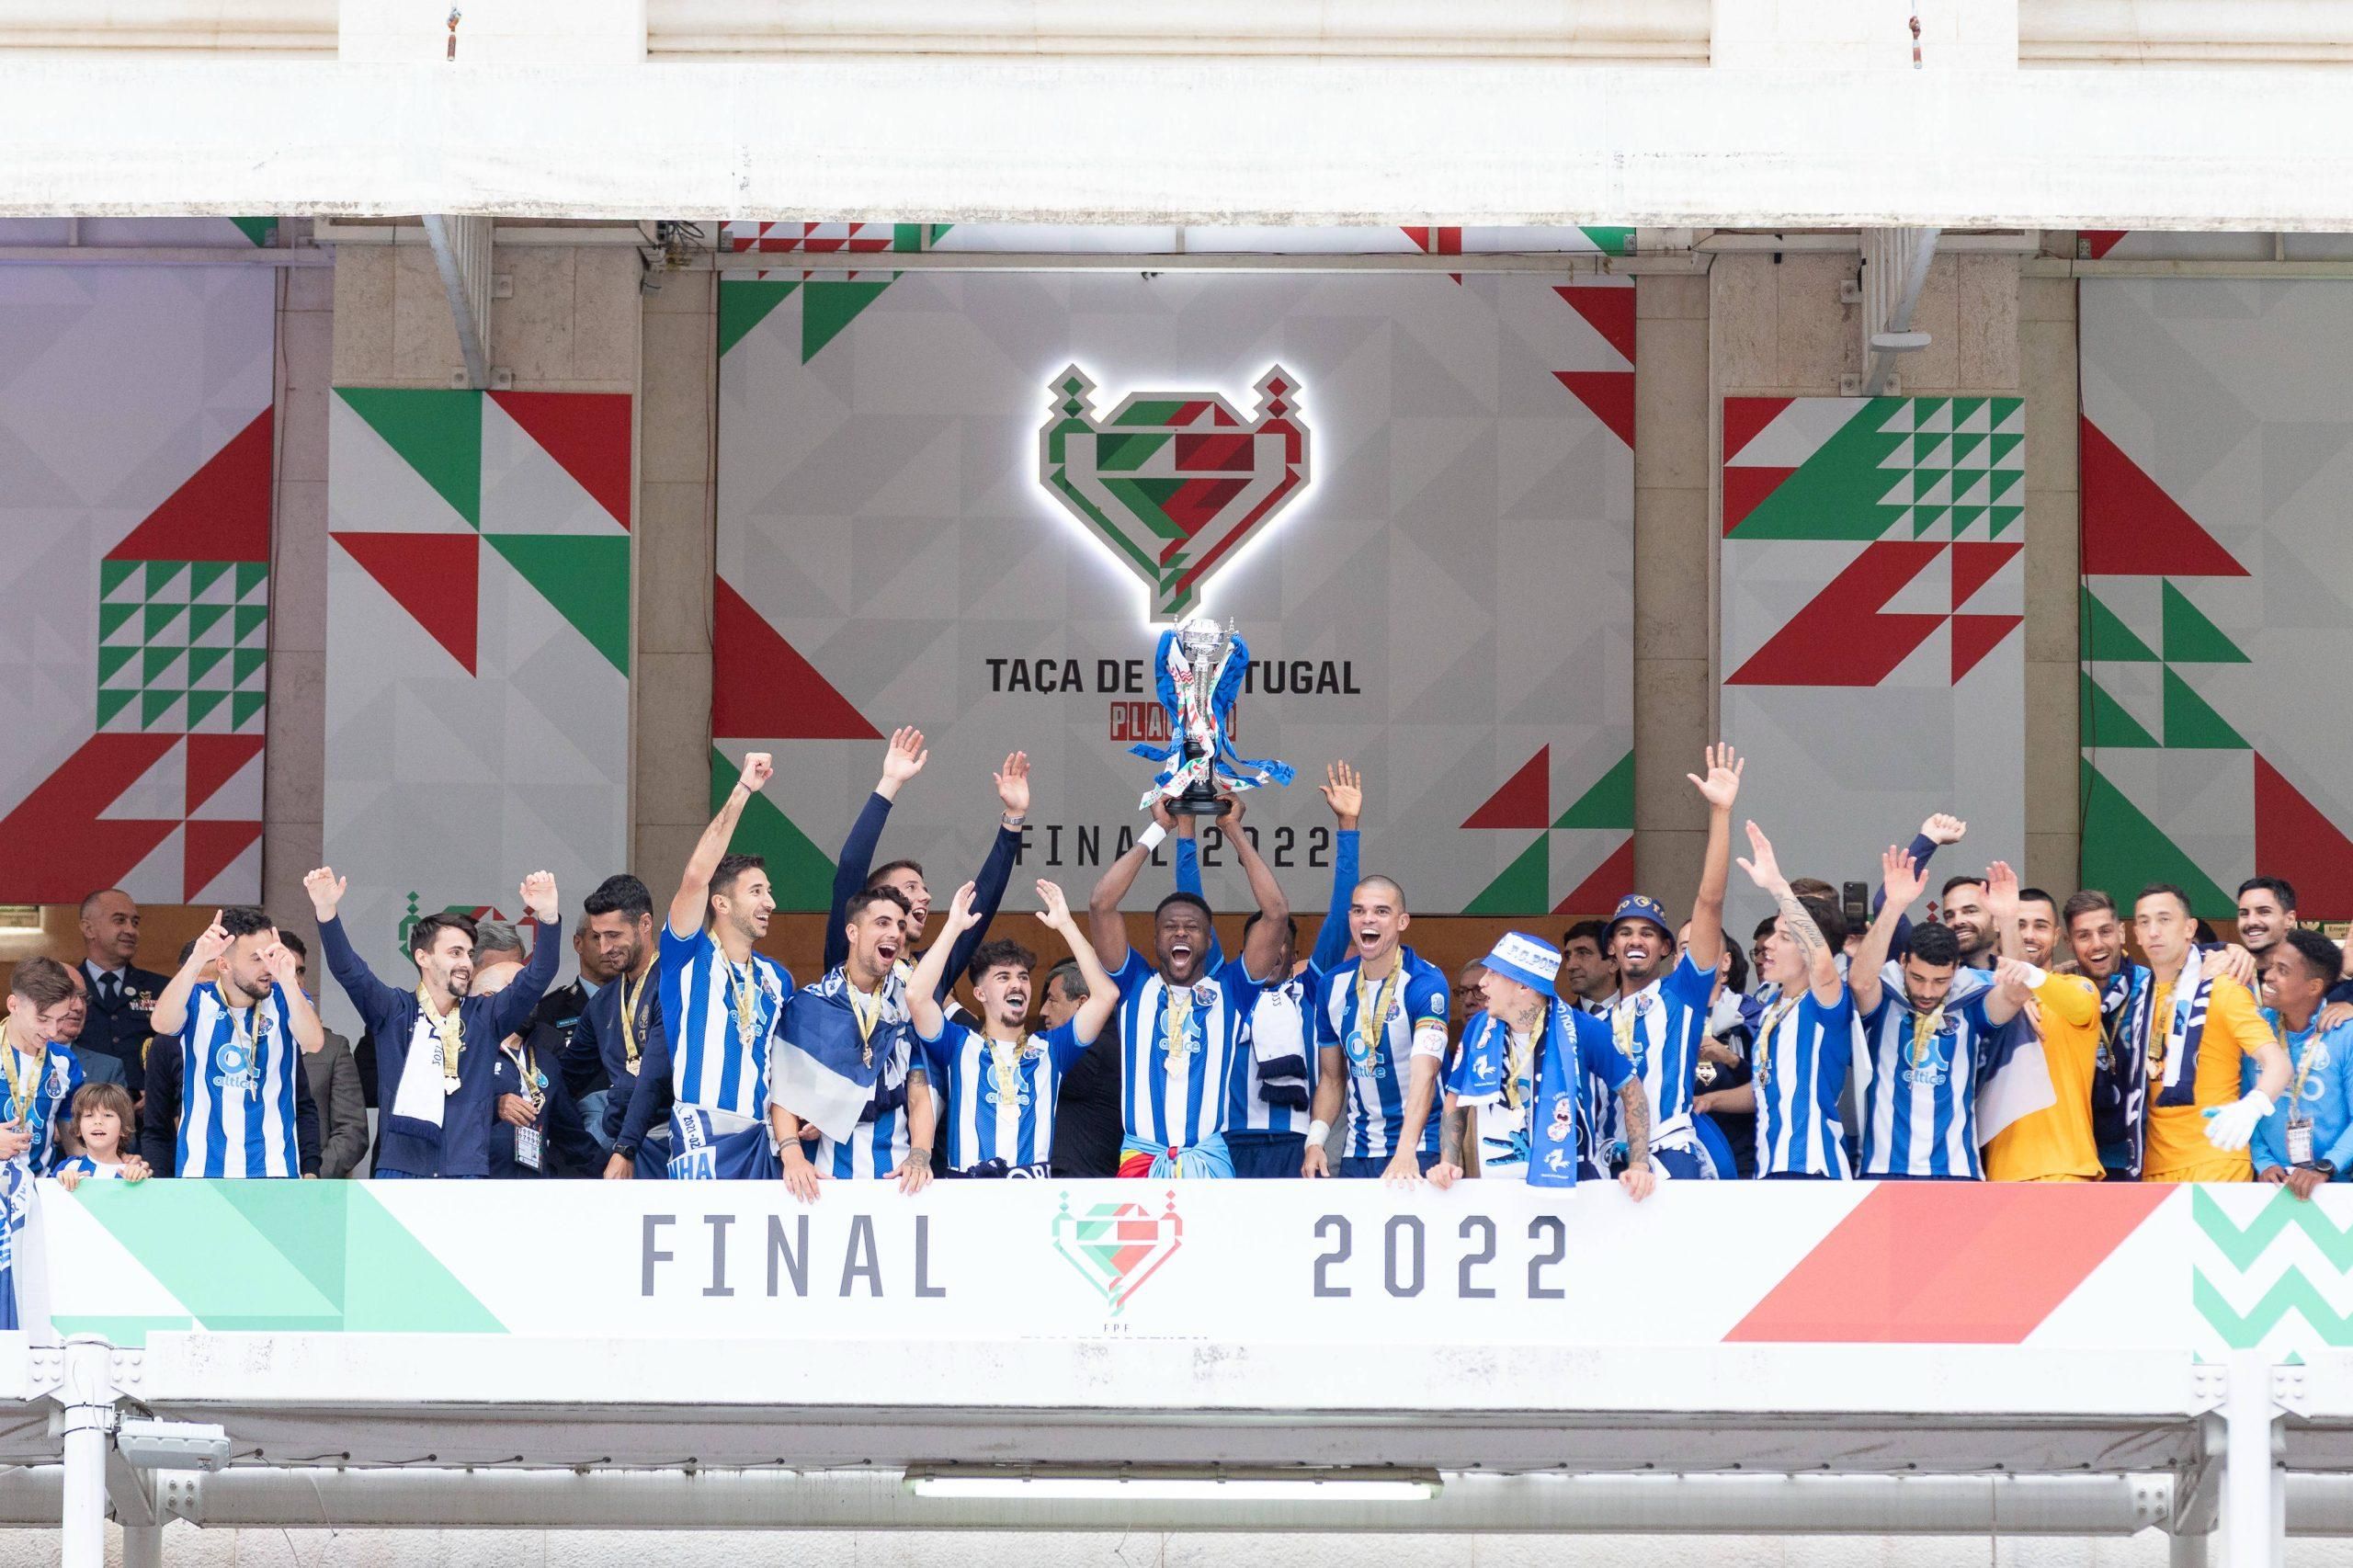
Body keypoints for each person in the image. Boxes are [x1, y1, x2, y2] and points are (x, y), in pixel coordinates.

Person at [309, 866, 563, 1178]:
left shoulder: (486, 1016)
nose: (466, 963)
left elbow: (538, 976)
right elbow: (349, 970)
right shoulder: (392, 1010)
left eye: (469, 954)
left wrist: (548, 917)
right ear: (423, 957)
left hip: (464, 1172)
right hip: (400, 1170)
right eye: (455, 952)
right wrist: (326, 911)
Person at [1086, 790, 1290, 1178]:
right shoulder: (1133, 985)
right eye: (1170, 927)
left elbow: (1275, 913)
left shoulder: (1231, 990)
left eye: (1192, 927)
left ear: (1209, 941)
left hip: (1207, 1166)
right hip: (1141, 1164)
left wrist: (1233, 830)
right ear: (1156, 939)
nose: (1181, 932)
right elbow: (1101, 905)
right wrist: (1159, 828)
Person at [1186, 761, 1362, 1180]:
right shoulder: (1224, 987)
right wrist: (1186, 832)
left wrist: (1348, 825)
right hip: (1225, 1143)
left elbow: (1341, 913)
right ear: (1246, 950)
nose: (1274, 952)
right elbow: (1191, 912)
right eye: (1264, 944)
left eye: (1284, 944)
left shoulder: (1314, 987)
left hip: (1297, 1147)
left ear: (1296, 952)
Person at [633, 752, 793, 1181]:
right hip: (701, 1131)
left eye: (769, 891)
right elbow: (695, 877)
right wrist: (742, 790)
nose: (770, 903)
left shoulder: (778, 979)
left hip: (761, 1139)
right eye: (757, 891)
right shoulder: (688, 955)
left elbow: (790, 1064)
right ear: (720, 903)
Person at [1591, 743, 1745, 1182]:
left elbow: (1709, 901)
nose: (1635, 940)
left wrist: (1720, 815)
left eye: (1647, 933)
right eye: (1624, 932)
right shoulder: (1594, 1021)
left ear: (1665, 949)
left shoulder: (1680, 993)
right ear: (1612, 950)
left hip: (1670, 1155)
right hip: (1610, 1164)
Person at [910, 879, 1120, 1175]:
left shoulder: (1052, 1049)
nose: (1017, 984)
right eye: (1003, 977)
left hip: (1034, 1202)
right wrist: (953, 927)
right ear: (980, 994)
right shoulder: (958, 1045)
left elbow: (1106, 995)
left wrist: (1067, 925)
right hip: (968, 1199)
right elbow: (916, 996)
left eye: (1023, 977)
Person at [1847, 849, 2033, 1179]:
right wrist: (1893, 906)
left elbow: (2019, 991)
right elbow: (1860, 981)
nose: (1928, 992)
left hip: (1957, 1172)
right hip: (1883, 1171)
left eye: (1940, 981)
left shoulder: (1972, 999)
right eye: (1918, 978)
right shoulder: (1885, 997)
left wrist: (2007, 919)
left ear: (1956, 970)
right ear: (1902, 962)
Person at [824, 729, 1029, 1026]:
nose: (926, 897)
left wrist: (1013, 819)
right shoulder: (851, 952)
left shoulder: (932, 968)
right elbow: (851, 864)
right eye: (910, 888)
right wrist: (890, 784)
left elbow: (981, 903)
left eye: (924, 889)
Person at [1431, 934, 1653, 1199]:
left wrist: (1639, 1164)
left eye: (1494, 974)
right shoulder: (1478, 1029)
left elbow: (1632, 1091)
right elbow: (1456, 1098)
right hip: (1493, 1190)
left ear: (1524, 987)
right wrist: (1449, 1161)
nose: (1483, 983)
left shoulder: (1586, 1030)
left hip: (1570, 1188)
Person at [770, 886, 929, 1200]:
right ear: (853, 932)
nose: (895, 934)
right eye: (882, 923)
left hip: (898, 1181)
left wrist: (920, 1154)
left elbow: (918, 1090)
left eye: (900, 925)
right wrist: (793, 1156)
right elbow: (785, 1095)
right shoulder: (810, 1006)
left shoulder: (907, 1002)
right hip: (824, 1180)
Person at [2127, 884, 2290, 1184]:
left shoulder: (2223, 987)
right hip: (2151, 1168)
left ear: (2189, 928)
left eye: (2164, 919)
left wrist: (2252, 1107)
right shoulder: (2138, 997)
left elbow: (2279, 1064)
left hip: (2216, 1161)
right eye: (2145, 922)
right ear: (2135, 933)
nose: (2153, 932)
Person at [146, 907, 325, 1179]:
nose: (267, 967)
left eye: (271, 955)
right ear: (224, 964)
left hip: (273, 1169)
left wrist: (288, 979)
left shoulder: (286, 997)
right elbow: (162, 1023)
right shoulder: (197, 998)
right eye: (256, 959)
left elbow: (313, 1042)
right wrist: (196, 960)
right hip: (202, 1170)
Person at [1304, 874, 1450, 1183]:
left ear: (1402, 922)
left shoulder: (1426, 983)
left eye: (1381, 911)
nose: (1368, 918)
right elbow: (1332, 1078)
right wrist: (1315, 1140)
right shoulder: (1331, 986)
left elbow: (1426, 1075)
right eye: (1358, 911)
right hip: (1359, 1150)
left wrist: (1406, 1150)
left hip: (1421, 1147)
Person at [1733, 822, 1854, 1178]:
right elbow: (1765, 1087)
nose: (1768, 944)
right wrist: (1708, 1101)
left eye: (1784, 937)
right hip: (1770, 1171)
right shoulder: (1771, 1008)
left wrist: (1777, 886)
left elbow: (1823, 963)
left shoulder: (1824, 1003)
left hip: (1813, 1169)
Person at [1977, 871, 2104, 1183]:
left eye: (2040, 926)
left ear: (2058, 936)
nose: (2029, 934)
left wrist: (2028, 982)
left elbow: (2076, 1005)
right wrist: (2016, 1000)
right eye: (2019, 925)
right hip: (1999, 1177)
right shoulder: (1986, 1000)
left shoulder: (2078, 986)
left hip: (2065, 1169)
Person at [575, 876, 668, 1177]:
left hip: (666, 1139)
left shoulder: (674, 985)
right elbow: (568, 1076)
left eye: (614, 935)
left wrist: (625, 1147)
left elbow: (655, 1076)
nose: (604, 948)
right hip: (618, 1140)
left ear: (645, 923)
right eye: (599, 936)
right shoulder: (601, 1003)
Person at [473, 958, 598, 1178]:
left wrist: (617, 1164)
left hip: (534, 1193)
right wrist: (495, 1106)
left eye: (533, 989)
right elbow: (441, 1113)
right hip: (471, 1189)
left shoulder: (544, 1061)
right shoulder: (461, 1051)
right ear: (488, 997)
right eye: (522, 988)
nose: (531, 997)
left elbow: (571, 1136)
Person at [2252, 926, 2353, 1199]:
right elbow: (2246, 1101)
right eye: (2271, 966)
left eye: (2282, 970)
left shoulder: (2345, 1033)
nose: (2269, 976)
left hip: (2337, 1187)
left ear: (2314, 987)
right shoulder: (2256, 1028)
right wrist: (2263, 1160)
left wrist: (2326, 1167)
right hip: (2271, 1184)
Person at [278, 934, 369, 1178]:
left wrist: (312, 1174)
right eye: (284, 969)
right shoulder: (235, 1039)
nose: (295, 980)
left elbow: (352, 1131)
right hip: (246, 1183)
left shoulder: (332, 1047)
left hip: (313, 1190)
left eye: (299, 971)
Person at [72, 887, 165, 1100]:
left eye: (135, 922)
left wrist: (160, 1095)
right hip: (81, 1114)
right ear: (88, 929)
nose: (131, 930)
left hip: (146, 1118)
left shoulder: (164, 988)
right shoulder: (65, 987)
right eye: (119, 920)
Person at [1, 958, 90, 1175]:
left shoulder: (65, 1062)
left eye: (60, 1019)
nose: (52, 1031)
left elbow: (75, 1147)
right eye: (43, 1019)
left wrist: (113, 1166)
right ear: (13, 1005)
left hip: (40, 1194)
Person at [1042, 959, 1121, 1178]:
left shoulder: (1095, 1046)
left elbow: (1026, 1068)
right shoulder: (1114, 1038)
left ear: (1082, 1003)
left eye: (1051, 1000)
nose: (1043, 1011)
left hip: (1078, 1184)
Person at [55, 1083, 151, 1190]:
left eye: (108, 1115)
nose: (98, 1122)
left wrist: (142, 1180)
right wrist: (60, 1180)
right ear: (78, 1128)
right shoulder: (67, 1167)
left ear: (124, 1128)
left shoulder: (133, 1171)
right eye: (89, 1115)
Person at [1940, 876, 1997, 971]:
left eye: (1970, 911)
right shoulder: (1935, 976)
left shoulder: (2018, 970)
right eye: (1949, 916)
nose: (1957, 921)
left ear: (1996, 919)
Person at [1557, 921, 1616, 1014]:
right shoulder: (1558, 1022)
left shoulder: (1642, 1018)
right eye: (1568, 956)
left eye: (1582, 953)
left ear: (1613, 963)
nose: (1570, 966)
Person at [2235, 877, 2298, 963]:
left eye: (2263, 912)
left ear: (2289, 919)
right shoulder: (2225, 972)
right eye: (2244, 914)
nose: (2251, 921)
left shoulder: (2309, 972)